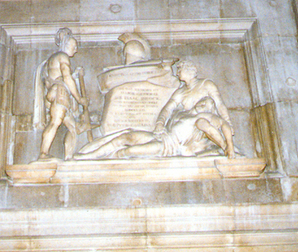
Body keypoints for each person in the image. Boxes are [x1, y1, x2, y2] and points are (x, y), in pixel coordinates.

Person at [74, 96, 235, 159]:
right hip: (159, 136)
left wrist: (227, 146)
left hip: (168, 147)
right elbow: (166, 114)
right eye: (202, 101)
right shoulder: (182, 113)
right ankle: (89, 155)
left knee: (129, 151)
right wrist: (160, 127)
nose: (202, 104)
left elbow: (221, 127)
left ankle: (105, 161)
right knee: (126, 136)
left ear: (210, 110)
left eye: (207, 105)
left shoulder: (203, 119)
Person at [38, 28, 88, 160]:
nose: (76, 50)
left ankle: (68, 158)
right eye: (74, 46)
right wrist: (79, 99)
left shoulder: (52, 59)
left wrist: (76, 74)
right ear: (66, 45)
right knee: (55, 123)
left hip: (55, 91)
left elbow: (57, 76)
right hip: (60, 92)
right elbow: (66, 78)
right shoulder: (63, 56)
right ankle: (43, 154)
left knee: (73, 128)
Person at [154, 60, 233, 138]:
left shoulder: (206, 84)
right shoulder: (180, 92)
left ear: (187, 70)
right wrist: (160, 123)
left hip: (206, 128)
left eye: (179, 70)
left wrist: (228, 123)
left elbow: (219, 104)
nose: (177, 73)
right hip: (188, 129)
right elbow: (167, 109)